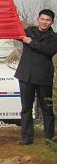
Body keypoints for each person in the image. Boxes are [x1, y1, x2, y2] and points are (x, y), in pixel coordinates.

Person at [14, 9, 57, 145]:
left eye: (48, 20)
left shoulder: (54, 37)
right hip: (26, 75)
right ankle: (27, 138)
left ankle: (49, 138)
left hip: (44, 77)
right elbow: (15, 33)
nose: (44, 22)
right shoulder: (29, 31)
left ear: (52, 22)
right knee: (26, 108)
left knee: (47, 109)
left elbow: (49, 50)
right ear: (38, 19)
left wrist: (30, 42)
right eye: (42, 19)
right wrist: (12, 17)